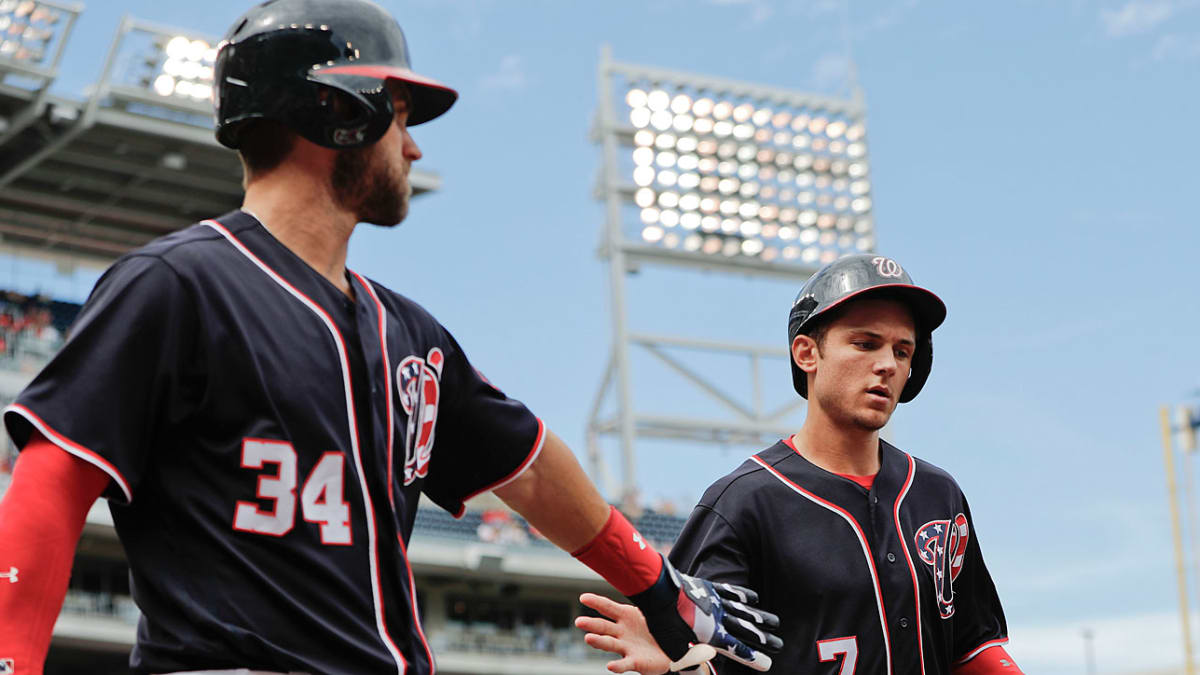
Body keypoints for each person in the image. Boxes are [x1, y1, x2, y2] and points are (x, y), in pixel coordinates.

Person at [0, 1, 781, 673]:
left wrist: (657, 585)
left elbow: (533, 466)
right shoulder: (177, 285)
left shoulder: (408, 332)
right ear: (340, 112)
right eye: (400, 116)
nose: (412, 147)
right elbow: (49, 489)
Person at [576, 254, 1022, 674]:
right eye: (865, 344)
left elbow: (973, 646)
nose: (886, 364)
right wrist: (679, 663)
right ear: (807, 353)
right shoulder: (742, 504)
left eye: (902, 351)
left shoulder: (937, 494)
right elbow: (707, 656)